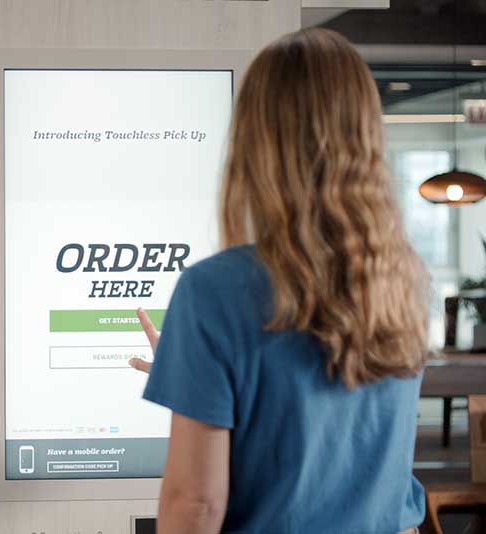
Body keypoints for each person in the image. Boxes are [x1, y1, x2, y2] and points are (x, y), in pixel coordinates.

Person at [129, 28, 428, 534]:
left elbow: (195, 505)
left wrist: (199, 364)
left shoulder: (213, 292)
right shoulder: (403, 281)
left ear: (255, 140)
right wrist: (192, 372)